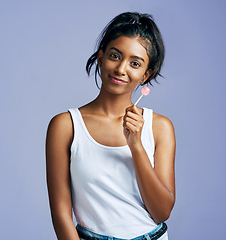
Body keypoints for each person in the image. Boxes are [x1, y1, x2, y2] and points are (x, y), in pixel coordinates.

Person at [46, 12, 176, 240]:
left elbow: (162, 211)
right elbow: (61, 213)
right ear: (100, 56)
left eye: (135, 63)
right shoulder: (65, 126)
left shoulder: (160, 127)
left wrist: (136, 146)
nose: (121, 69)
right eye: (115, 56)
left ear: (146, 75)